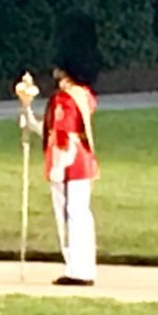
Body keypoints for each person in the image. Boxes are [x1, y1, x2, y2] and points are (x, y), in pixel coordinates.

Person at [45, 39, 101, 287]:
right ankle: (83, 266)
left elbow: (64, 137)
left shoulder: (64, 100)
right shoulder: (84, 95)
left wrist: (59, 167)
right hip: (83, 163)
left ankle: (76, 268)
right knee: (81, 216)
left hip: (69, 165)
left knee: (70, 218)